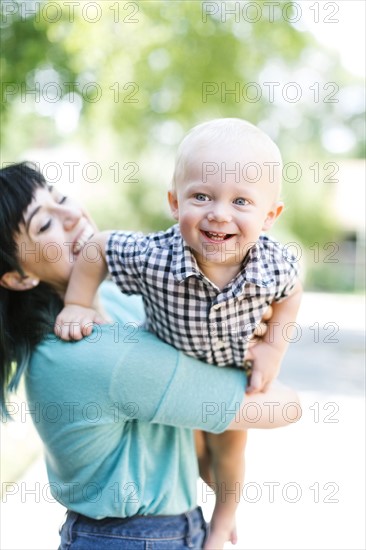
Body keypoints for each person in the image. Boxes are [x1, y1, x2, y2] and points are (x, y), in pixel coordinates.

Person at [0, 161, 301, 549]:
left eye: (61, 199)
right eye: (45, 224)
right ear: (19, 277)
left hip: (163, 528)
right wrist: (267, 351)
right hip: (134, 539)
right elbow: (283, 408)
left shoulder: (112, 302)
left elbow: (190, 428)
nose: (73, 215)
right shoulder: (84, 352)